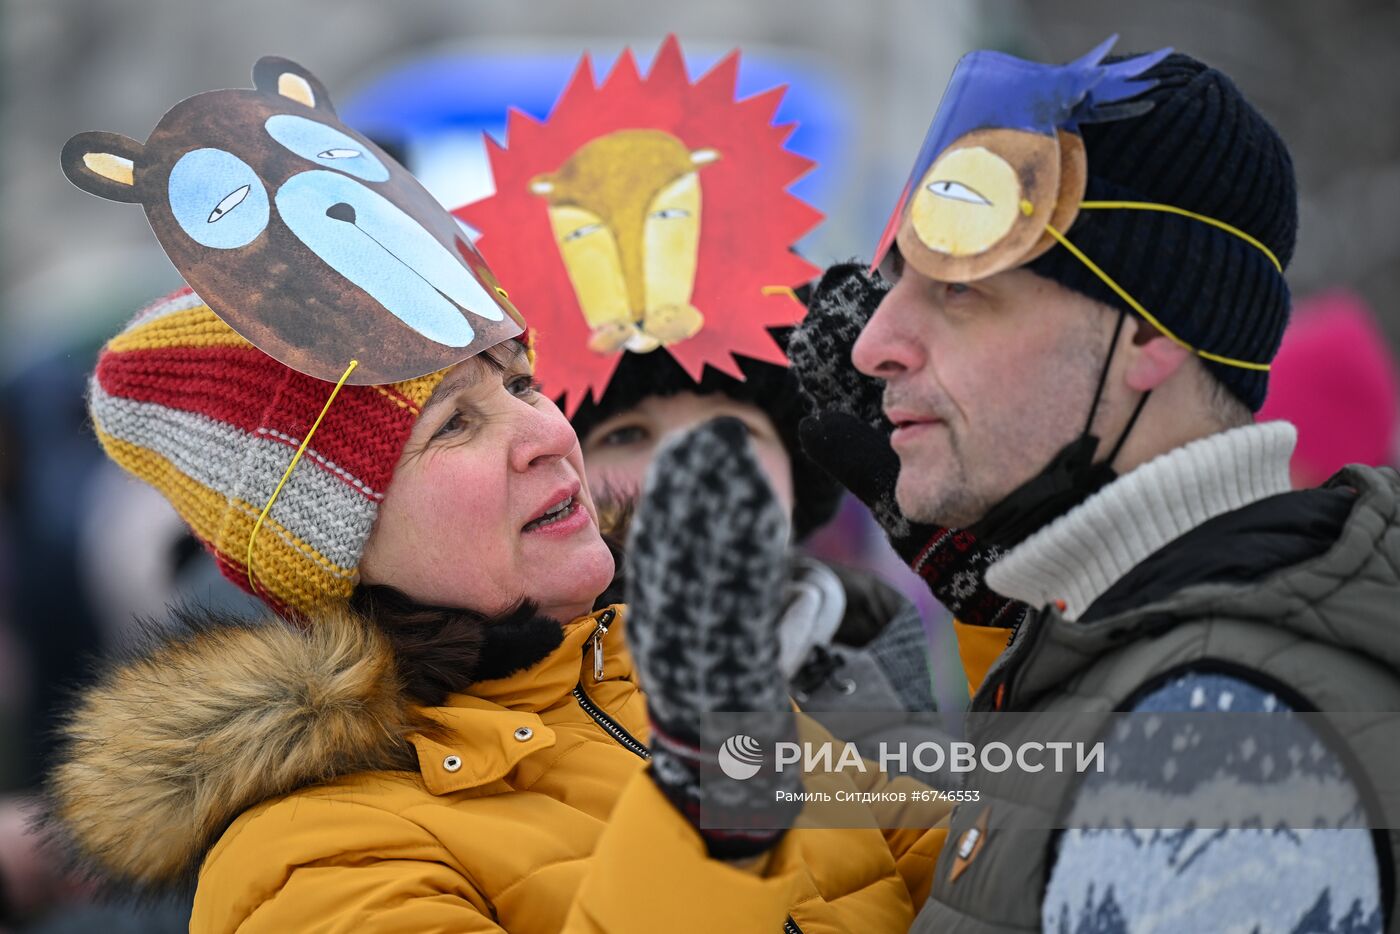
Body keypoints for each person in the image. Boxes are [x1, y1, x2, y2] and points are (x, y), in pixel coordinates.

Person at [43, 56, 956, 934]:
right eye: (452, 425)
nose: (548, 433)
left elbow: (992, 878)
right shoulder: (309, 862)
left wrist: (1009, 592)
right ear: (332, 542)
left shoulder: (645, 672)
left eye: (520, 385)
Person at [792, 40, 1398, 932]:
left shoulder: (1210, 755)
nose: (872, 344)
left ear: (1152, 337)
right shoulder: (1137, 655)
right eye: (897, 286)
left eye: (961, 293)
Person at [457, 36, 970, 726]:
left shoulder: (873, 640)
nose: (699, 463)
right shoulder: (515, 701)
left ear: (800, 467)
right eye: (630, 433)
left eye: (734, 427)